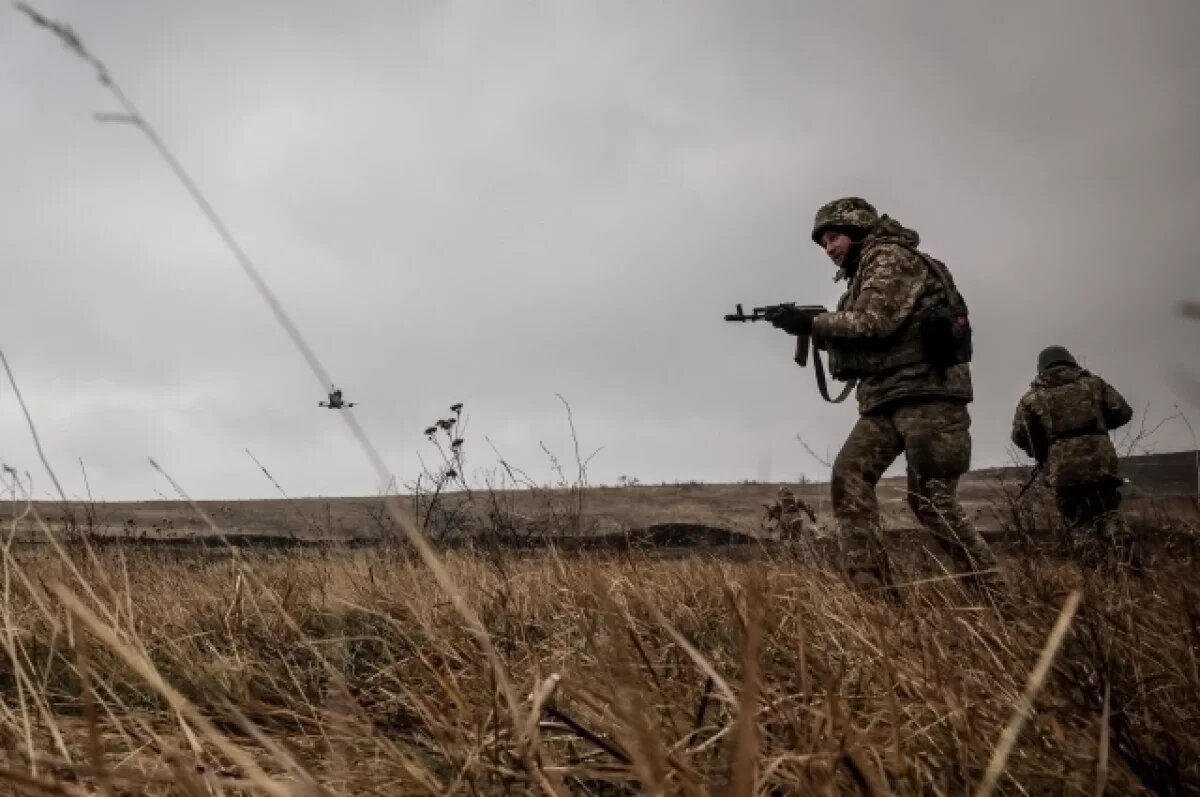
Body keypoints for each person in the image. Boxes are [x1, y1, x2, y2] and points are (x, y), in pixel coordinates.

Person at [765, 197, 1003, 594]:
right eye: (823, 242)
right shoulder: (861, 276)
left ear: (858, 230)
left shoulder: (890, 258)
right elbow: (859, 342)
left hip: (927, 394)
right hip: (885, 398)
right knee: (849, 477)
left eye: (834, 237)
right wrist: (809, 328)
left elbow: (875, 322)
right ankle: (873, 595)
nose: (829, 249)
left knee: (931, 499)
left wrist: (812, 320)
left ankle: (995, 597)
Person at [1010, 345, 1138, 570]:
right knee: (1110, 513)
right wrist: (1098, 428)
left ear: (1042, 368)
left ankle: (1098, 579)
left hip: (1064, 471)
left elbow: (1022, 436)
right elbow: (1123, 412)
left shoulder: (1031, 398)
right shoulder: (1094, 384)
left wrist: (1042, 450)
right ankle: (1129, 568)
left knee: (1080, 524)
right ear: (1070, 361)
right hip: (1101, 465)